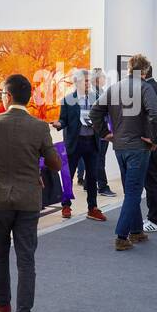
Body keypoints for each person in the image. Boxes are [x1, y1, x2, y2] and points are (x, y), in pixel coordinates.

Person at [0, 74, 64, 312]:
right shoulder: (39, 127)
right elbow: (55, 164)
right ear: (29, 98)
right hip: (28, 199)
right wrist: (35, 167)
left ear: (7, 96)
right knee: (26, 258)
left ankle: (3, 304)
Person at [91, 54, 157, 250]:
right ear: (145, 71)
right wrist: (155, 139)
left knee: (131, 189)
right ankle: (121, 236)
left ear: (129, 69)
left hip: (120, 147)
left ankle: (136, 231)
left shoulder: (114, 88)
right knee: (133, 191)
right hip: (138, 147)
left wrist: (105, 133)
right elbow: (155, 114)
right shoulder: (145, 87)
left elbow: (95, 111)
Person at [53, 70, 106, 222]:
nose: (89, 83)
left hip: (92, 142)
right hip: (75, 143)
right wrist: (58, 124)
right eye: (86, 81)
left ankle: (92, 208)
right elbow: (63, 120)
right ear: (76, 82)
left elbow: (102, 117)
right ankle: (66, 205)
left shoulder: (97, 98)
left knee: (92, 176)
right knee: (69, 175)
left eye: (90, 81)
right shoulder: (67, 100)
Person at [141, 65, 157, 233]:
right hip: (154, 142)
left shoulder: (150, 88)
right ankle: (153, 216)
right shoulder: (154, 87)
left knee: (151, 182)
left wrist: (153, 140)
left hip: (152, 144)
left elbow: (153, 117)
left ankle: (155, 219)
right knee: (151, 181)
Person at [90, 68, 116, 197]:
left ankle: (88, 184)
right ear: (96, 80)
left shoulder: (99, 93)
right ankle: (102, 186)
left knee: (97, 159)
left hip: (100, 131)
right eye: (103, 77)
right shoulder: (97, 95)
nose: (105, 79)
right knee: (100, 160)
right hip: (100, 133)